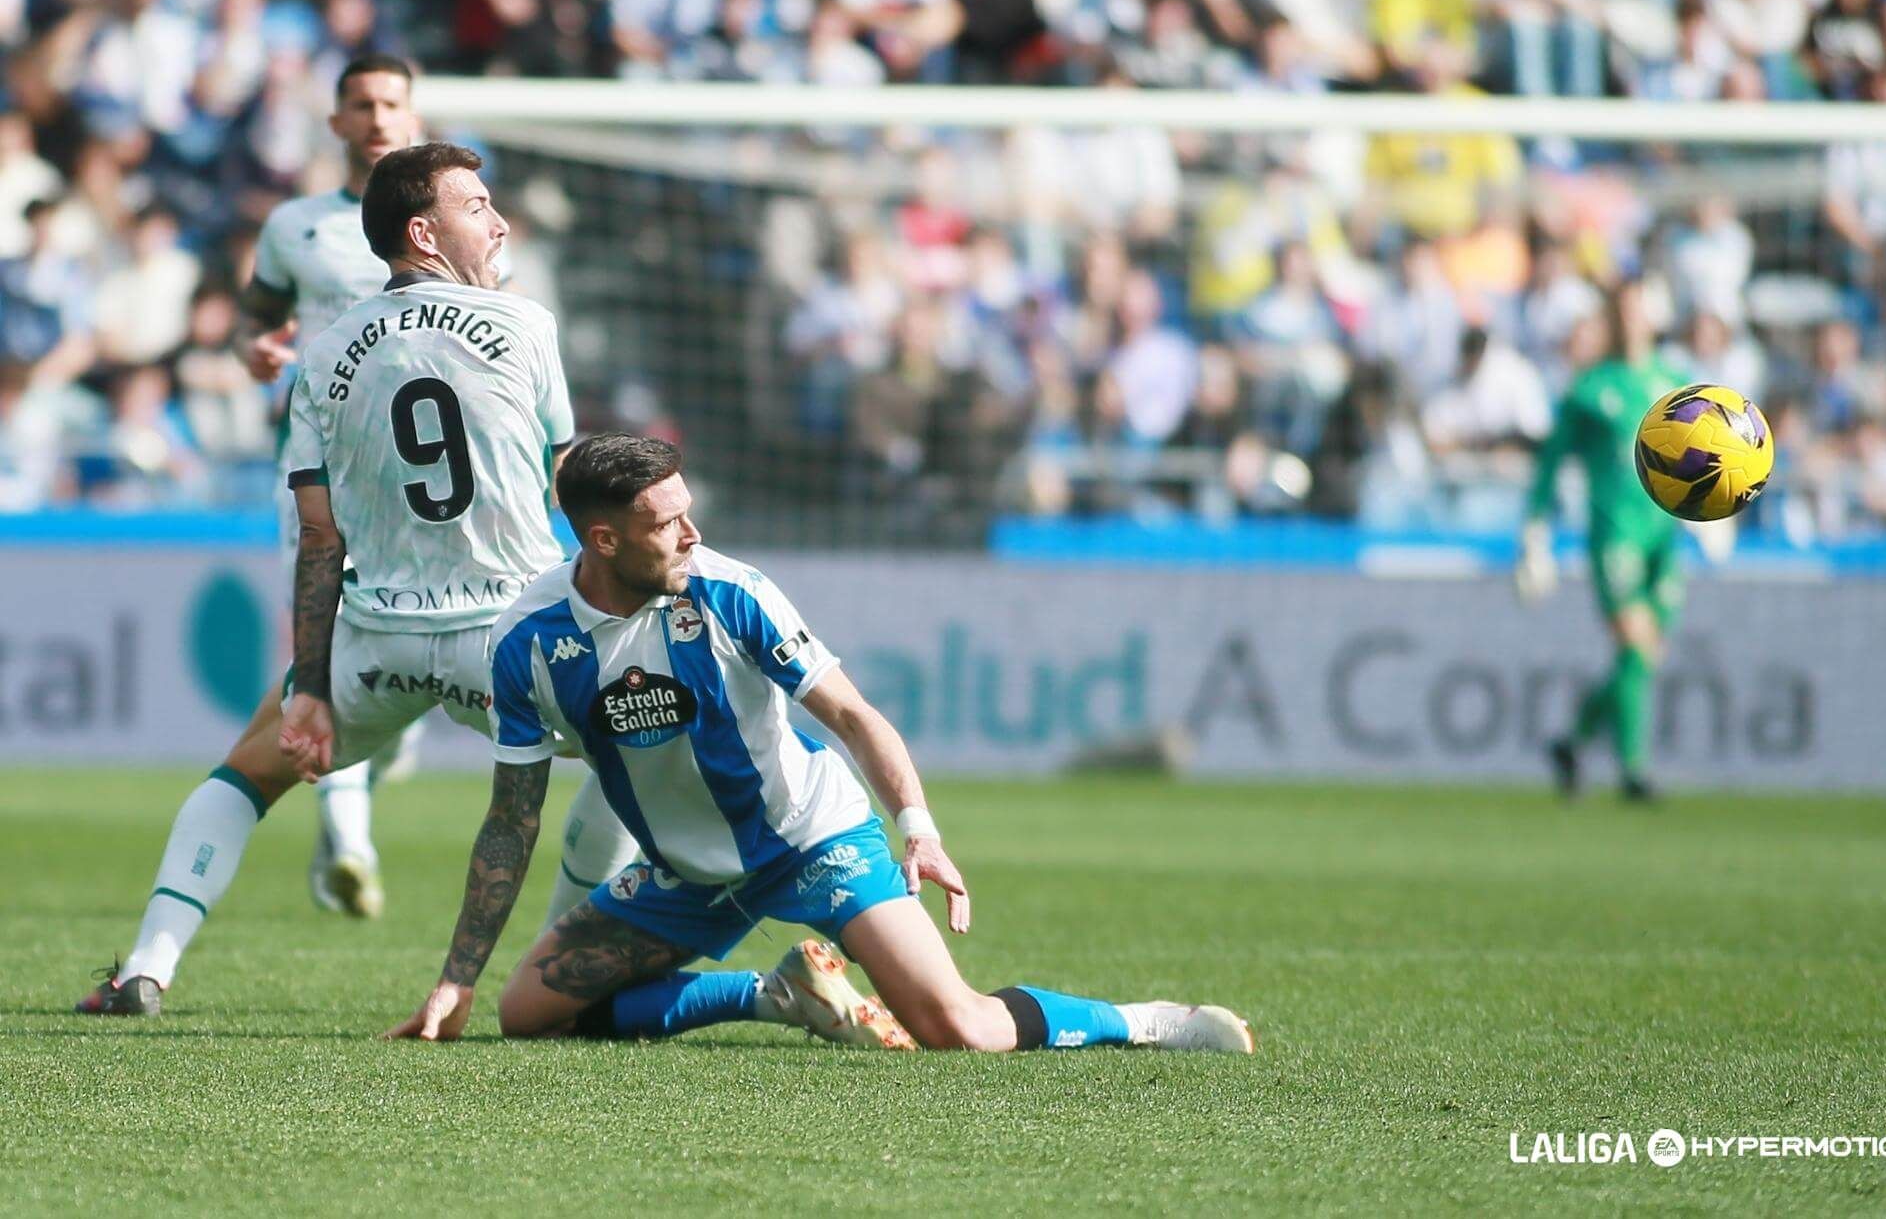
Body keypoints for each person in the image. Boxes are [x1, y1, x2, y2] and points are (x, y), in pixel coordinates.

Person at [387, 433, 1255, 1055]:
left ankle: (1144, 1020)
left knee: (957, 1029)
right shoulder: (527, 640)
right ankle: (775, 996)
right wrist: (458, 977)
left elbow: (855, 717)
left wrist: (918, 827)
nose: (693, 535)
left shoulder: (733, 593)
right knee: (530, 1012)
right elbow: (510, 820)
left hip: (810, 837)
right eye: (668, 524)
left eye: (690, 513)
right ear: (602, 540)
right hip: (690, 873)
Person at [73, 144, 612, 1016]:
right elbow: (572, 493)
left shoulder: (323, 356)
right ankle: (558, 971)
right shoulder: (525, 326)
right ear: (423, 232)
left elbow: (318, 538)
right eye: (477, 205)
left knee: (244, 778)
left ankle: (146, 967)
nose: (500, 220)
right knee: (634, 751)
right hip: (507, 636)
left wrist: (313, 687)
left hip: (379, 634)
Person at [233, 53, 420, 916]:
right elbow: (254, 319)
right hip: (312, 468)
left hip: (415, 480)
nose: (377, 117)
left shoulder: (444, 224)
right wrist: (256, 349)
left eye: (392, 103)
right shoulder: (296, 225)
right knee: (325, 648)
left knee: (402, 670)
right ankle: (349, 839)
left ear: (412, 117)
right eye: (361, 104)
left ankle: (355, 796)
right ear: (337, 121)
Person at [1516, 286, 1690, 803]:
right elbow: (1550, 465)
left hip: (1665, 533)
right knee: (1635, 645)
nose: (1632, 320)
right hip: (1613, 534)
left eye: (1640, 310)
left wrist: (1718, 516)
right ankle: (1633, 771)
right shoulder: (1591, 389)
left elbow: (1704, 460)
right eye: (1623, 311)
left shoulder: (1675, 385)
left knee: (1644, 657)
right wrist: (1535, 533)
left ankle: (1572, 743)